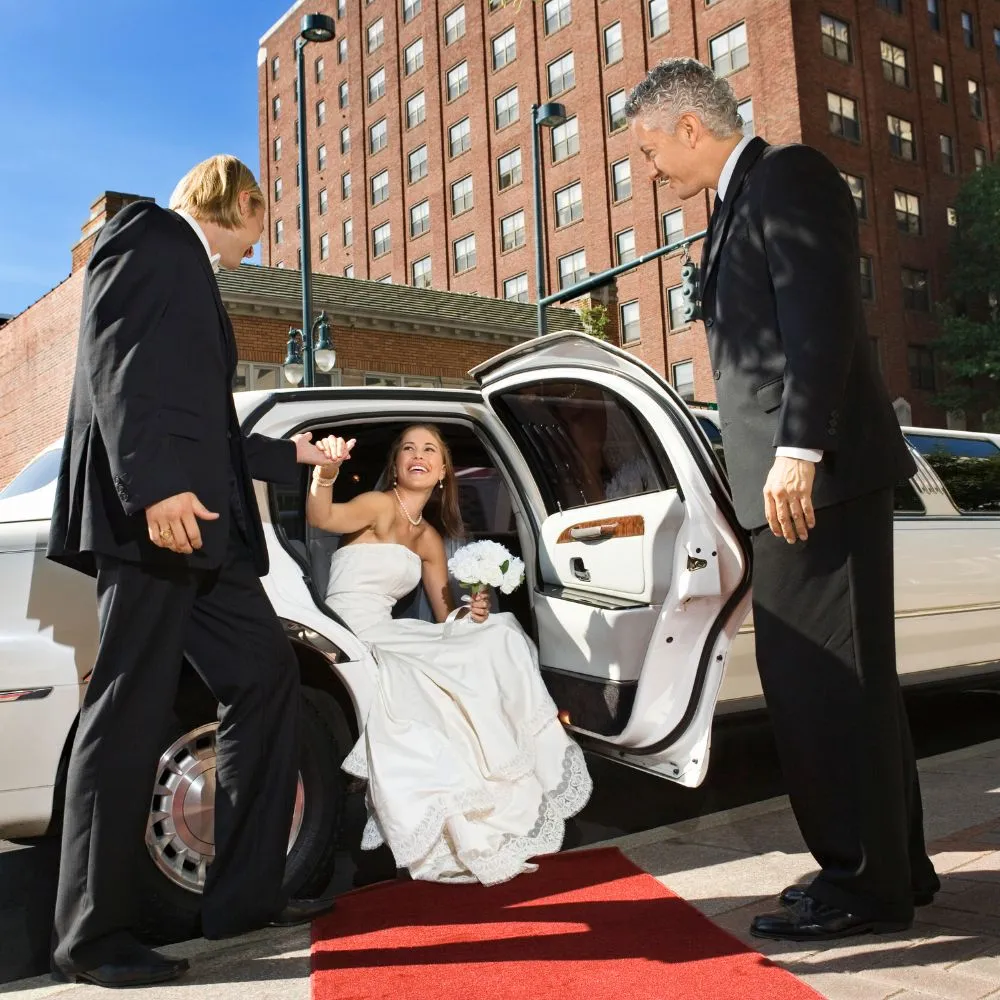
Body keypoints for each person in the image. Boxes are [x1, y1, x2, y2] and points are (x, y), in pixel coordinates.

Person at [624, 60, 939, 941]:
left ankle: (859, 887)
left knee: (820, 685)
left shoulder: (786, 176)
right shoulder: (736, 206)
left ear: (690, 127)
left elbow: (822, 319)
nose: (649, 171)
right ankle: (892, 868)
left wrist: (797, 452)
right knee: (854, 686)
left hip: (815, 481)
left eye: (650, 150)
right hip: (799, 483)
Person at [47, 155, 334, 988]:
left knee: (265, 676)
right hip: (160, 525)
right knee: (126, 709)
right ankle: (91, 941)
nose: (256, 243)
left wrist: (292, 455)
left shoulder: (187, 272)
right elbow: (115, 361)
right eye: (260, 221)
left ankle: (242, 897)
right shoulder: (151, 235)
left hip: (203, 533)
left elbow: (208, 422)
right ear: (240, 201)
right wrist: (153, 487)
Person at [306, 425, 592, 885]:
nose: (418, 456)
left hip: (390, 629)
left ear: (442, 471)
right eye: (409, 449)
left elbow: (445, 616)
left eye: (430, 450)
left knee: (498, 632)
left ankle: (508, 766)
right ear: (396, 464)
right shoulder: (377, 506)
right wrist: (325, 475)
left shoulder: (428, 539)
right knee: (418, 680)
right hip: (347, 630)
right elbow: (322, 517)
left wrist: (472, 608)